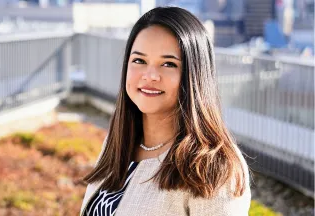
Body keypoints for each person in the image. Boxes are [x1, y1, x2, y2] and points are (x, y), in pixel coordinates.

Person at [80, 6, 251, 216]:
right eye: (139, 60)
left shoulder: (214, 166)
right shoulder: (119, 143)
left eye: (169, 64)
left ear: (195, 75)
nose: (150, 75)